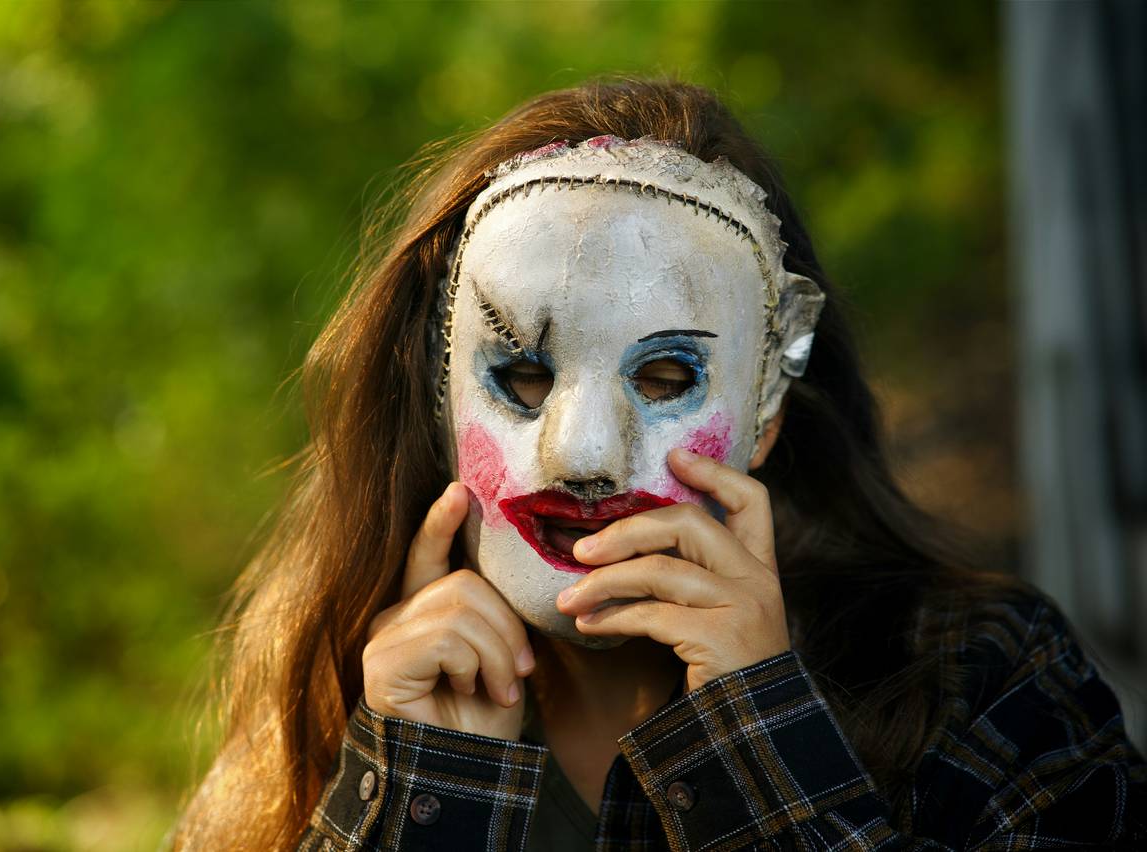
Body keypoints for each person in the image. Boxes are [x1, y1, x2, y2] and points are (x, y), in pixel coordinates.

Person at [173, 79, 1146, 851]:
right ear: (440, 394)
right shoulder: (335, 708)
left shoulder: (979, 679)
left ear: (763, 411)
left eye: (669, 373)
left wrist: (761, 744)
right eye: (519, 374)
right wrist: (414, 801)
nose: (586, 453)